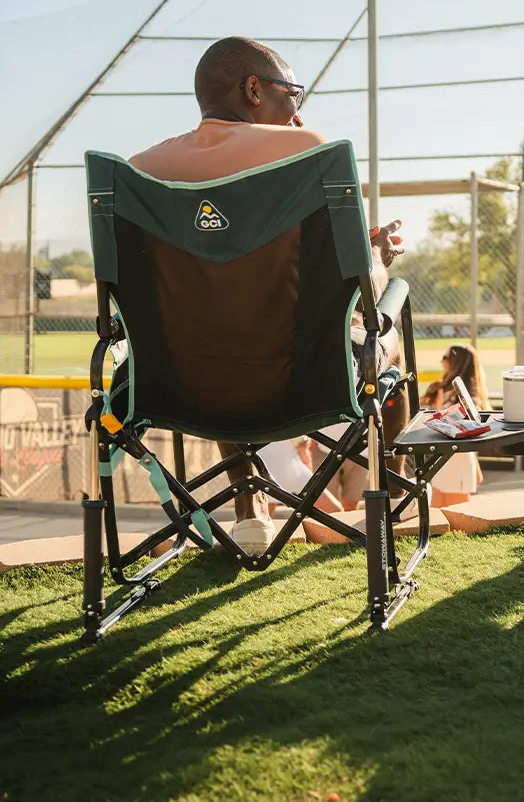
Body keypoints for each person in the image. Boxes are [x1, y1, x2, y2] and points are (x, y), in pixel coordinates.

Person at [129, 36, 408, 553]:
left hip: (177, 383)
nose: (298, 110)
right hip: (305, 380)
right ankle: (388, 493)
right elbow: (363, 290)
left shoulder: (140, 172)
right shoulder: (306, 152)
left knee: (215, 321)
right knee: (390, 322)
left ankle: (247, 506)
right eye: (293, 93)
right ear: (254, 89)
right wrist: (379, 259)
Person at [420, 344, 492, 504]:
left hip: (457, 457)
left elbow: (465, 430)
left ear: (456, 362)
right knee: (438, 510)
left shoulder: (469, 397)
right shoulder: (442, 389)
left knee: (457, 512)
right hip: (442, 456)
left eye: (445, 358)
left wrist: (439, 409)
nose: (441, 362)